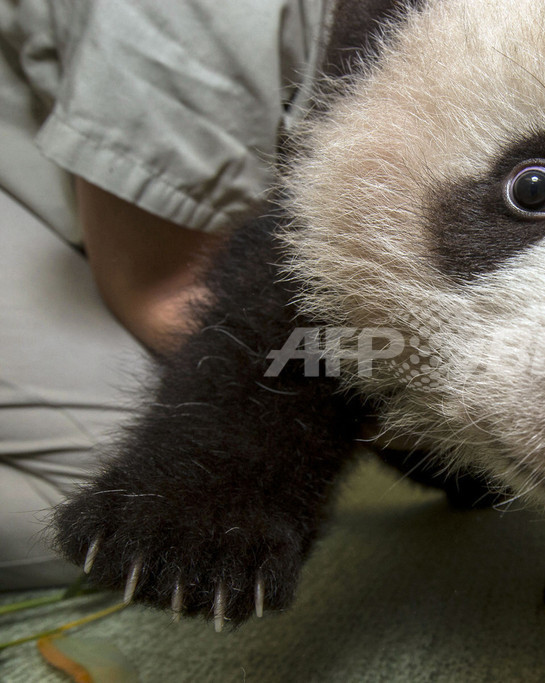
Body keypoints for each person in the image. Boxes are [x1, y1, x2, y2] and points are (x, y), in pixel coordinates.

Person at [0, 1, 331, 589]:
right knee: (148, 498)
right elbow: (162, 291)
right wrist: (425, 384)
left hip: (130, 218)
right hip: (59, 201)